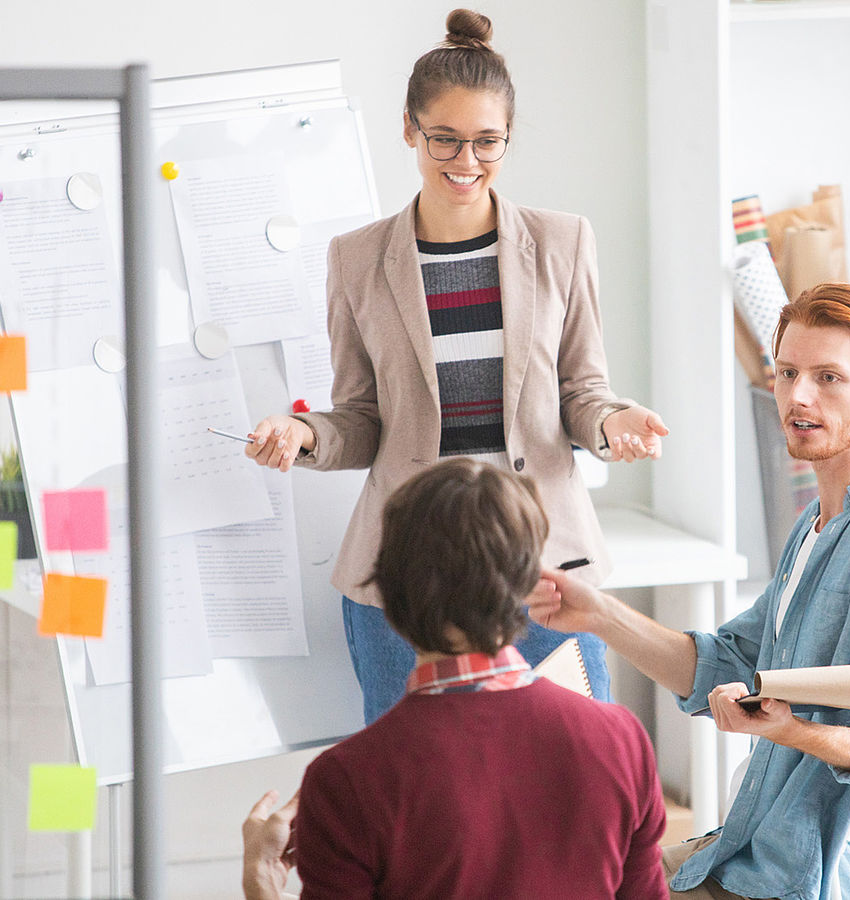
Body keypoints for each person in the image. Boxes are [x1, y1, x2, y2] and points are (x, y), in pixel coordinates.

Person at [241, 8, 669, 721]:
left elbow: (582, 391)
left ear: (508, 139)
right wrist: (308, 436)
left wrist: (614, 422)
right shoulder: (357, 259)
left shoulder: (563, 242)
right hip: (406, 573)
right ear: (408, 128)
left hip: (540, 563)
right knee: (410, 796)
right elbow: (361, 417)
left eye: (486, 142)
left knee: (571, 769)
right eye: (443, 138)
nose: (464, 162)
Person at [532, 282, 850, 900]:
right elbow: (727, 662)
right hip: (753, 841)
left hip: (811, 877)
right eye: (787, 372)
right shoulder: (818, 521)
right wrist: (598, 614)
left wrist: (789, 731)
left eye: (828, 378)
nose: (797, 396)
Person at [246, 458, 668, 900]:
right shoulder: (622, 739)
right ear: (530, 583)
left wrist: (259, 883)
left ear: (386, 594)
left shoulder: (345, 780)